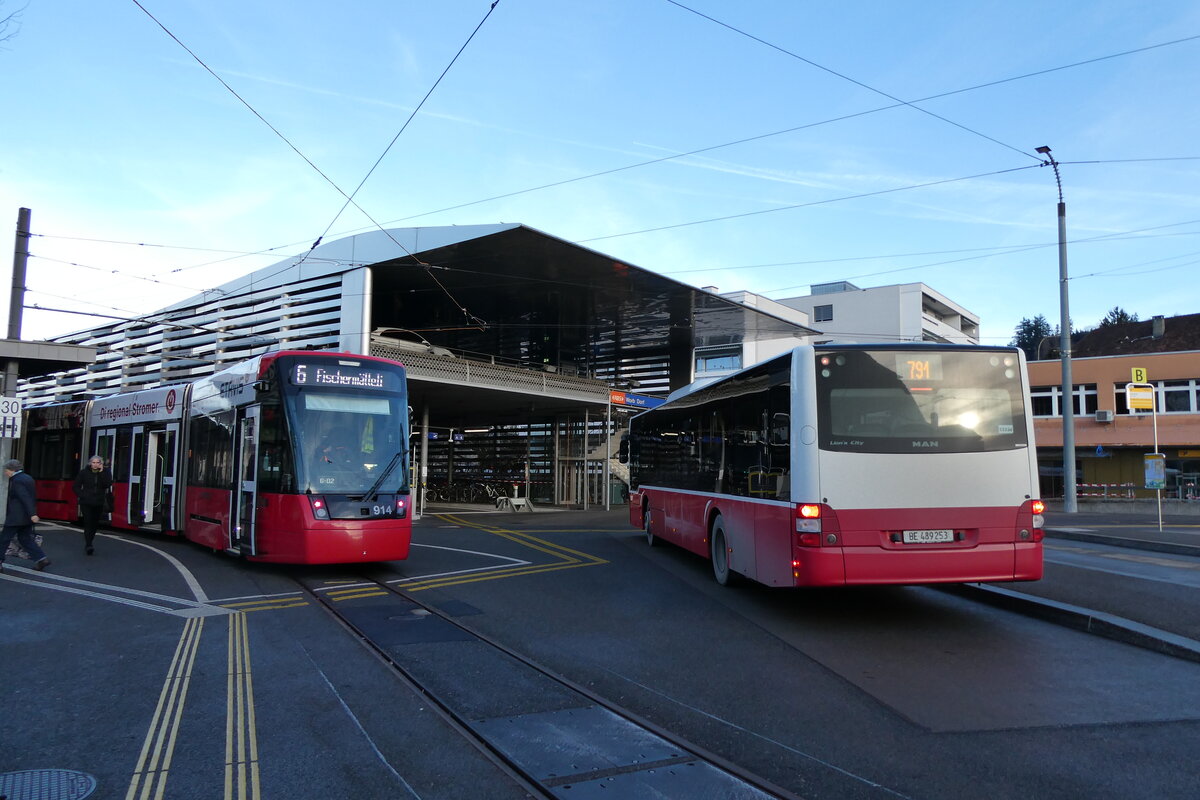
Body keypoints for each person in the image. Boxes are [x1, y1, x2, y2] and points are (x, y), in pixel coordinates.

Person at [0, 459, 49, 573]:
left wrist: (33, 514)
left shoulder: (17, 480)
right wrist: (31, 513)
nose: (5, 473)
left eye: (6, 470)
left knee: (4, 539)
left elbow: (24, 497)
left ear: (12, 470)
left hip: (16, 517)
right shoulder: (28, 478)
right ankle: (41, 558)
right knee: (25, 538)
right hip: (26, 517)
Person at [73, 455, 113, 556]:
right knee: (88, 522)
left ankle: (90, 541)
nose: (95, 465)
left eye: (98, 463)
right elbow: (76, 486)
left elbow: (107, 484)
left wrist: (101, 473)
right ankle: (89, 544)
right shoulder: (84, 472)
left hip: (99, 502)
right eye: (93, 463)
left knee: (94, 524)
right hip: (86, 502)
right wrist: (82, 495)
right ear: (90, 463)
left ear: (101, 464)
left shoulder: (106, 472)